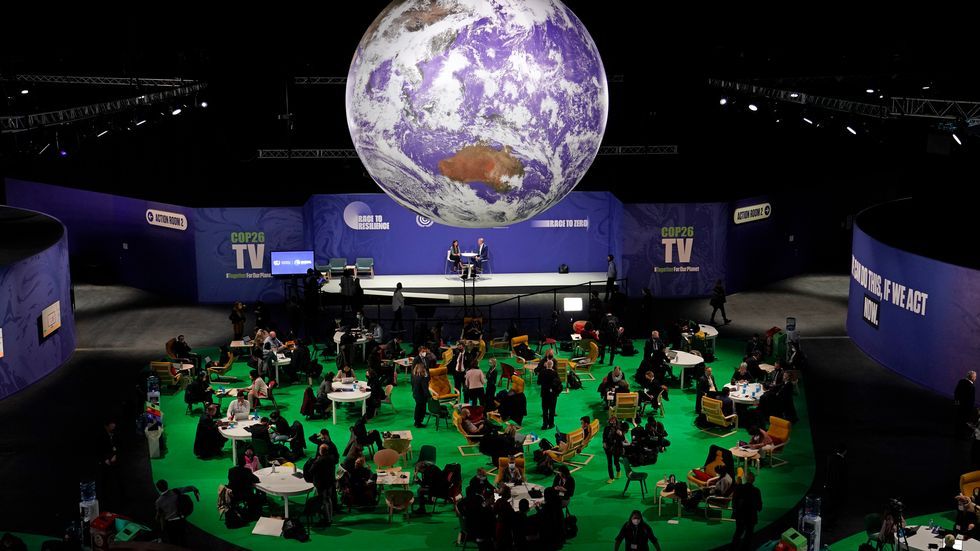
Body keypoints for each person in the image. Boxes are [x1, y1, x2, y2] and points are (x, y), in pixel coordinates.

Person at [154, 480, 199, 546]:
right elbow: (190, 488)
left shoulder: (158, 501)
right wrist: (195, 490)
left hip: (170, 524)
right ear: (167, 485)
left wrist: (162, 528)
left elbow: (160, 516)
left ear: (158, 488)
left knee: (173, 542)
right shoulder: (175, 491)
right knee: (183, 540)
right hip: (181, 521)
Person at [308, 442, 340, 524]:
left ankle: (327, 520)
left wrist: (315, 461)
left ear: (321, 451)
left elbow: (311, 471)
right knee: (329, 499)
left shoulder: (318, 461)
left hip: (321, 484)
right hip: (330, 482)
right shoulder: (332, 458)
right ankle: (330, 517)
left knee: (324, 501)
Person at [731, 471, 763, 550]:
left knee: (738, 532)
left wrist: (735, 511)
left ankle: (733, 548)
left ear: (745, 479)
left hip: (740, 516)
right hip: (751, 517)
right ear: (753, 480)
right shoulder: (756, 491)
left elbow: (734, 502)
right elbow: (759, 507)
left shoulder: (738, 489)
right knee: (749, 535)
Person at [537, 360, 561, 430]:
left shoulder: (542, 372)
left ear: (546, 365)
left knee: (545, 410)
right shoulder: (555, 373)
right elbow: (559, 383)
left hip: (544, 394)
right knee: (552, 410)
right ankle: (551, 424)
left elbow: (538, 382)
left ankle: (545, 425)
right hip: (553, 395)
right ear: (552, 365)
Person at [956, 371, 978, 439]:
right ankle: (962, 436)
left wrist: (956, 404)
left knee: (959, 420)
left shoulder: (961, 382)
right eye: (975, 376)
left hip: (960, 406)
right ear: (972, 377)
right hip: (966, 407)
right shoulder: (970, 386)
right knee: (964, 421)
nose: (975, 378)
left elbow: (956, 393)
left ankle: (958, 434)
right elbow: (970, 398)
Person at [603, 418, 625, 483]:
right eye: (611, 421)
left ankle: (618, 470)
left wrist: (621, 434)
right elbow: (604, 436)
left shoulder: (619, 429)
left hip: (617, 448)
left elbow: (623, 439)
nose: (612, 422)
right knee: (609, 463)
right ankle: (611, 478)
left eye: (614, 421)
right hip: (608, 447)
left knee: (616, 462)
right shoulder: (606, 428)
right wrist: (604, 442)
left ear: (616, 421)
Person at [411, 360, 430, 428]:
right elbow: (425, 389)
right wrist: (429, 396)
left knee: (417, 408)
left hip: (416, 394)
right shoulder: (422, 378)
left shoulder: (414, 376)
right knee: (421, 409)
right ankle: (418, 423)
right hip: (422, 396)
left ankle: (416, 422)